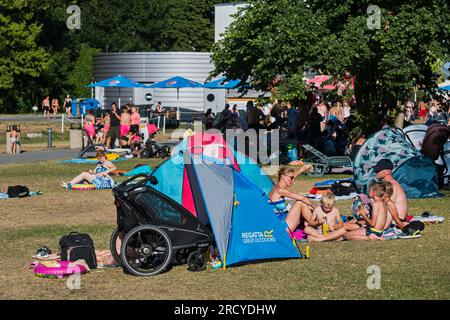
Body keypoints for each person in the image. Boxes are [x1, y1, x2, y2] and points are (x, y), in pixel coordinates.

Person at [268, 166, 318, 235]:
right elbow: (303, 198)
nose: (293, 180)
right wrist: (317, 207)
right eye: (291, 178)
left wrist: (301, 170)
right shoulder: (280, 190)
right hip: (281, 228)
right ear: (283, 177)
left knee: (302, 208)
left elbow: (292, 176)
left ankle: (313, 224)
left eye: (293, 178)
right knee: (300, 203)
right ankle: (315, 224)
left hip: (278, 221)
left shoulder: (276, 187)